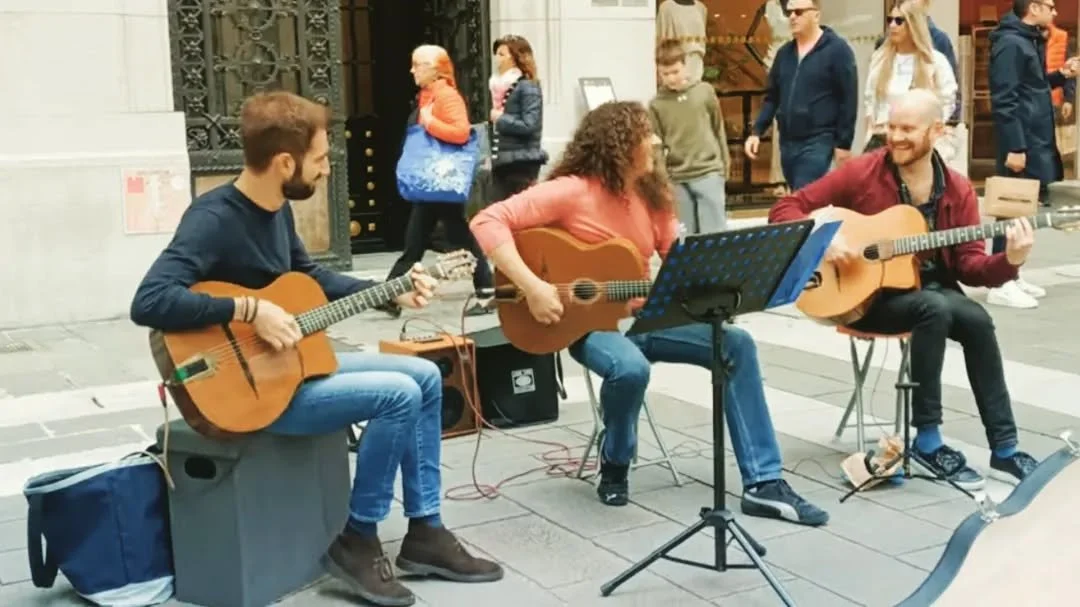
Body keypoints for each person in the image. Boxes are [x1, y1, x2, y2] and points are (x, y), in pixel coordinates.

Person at [129, 91, 503, 607]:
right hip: (247, 395)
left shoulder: (276, 209)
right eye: (322, 159)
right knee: (397, 395)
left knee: (425, 376)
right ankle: (358, 537)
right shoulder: (213, 218)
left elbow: (308, 278)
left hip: (291, 369)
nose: (327, 170)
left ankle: (425, 532)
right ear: (285, 162)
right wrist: (248, 310)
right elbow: (149, 301)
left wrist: (391, 290)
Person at [470, 100, 829, 526]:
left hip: (644, 319)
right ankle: (616, 459)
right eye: (647, 138)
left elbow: (682, 264)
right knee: (630, 368)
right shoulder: (571, 190)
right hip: (587, 325)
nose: (656, 145)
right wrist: (532, 287)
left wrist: (761, 275)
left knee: (736, 344)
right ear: (621, 146)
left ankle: (764, 484)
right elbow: (487, 220)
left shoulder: (654, 195)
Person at [769, 89, 1040, 490]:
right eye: (891, 126)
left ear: (937, 131)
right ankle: (927, 440)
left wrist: (1011, 261)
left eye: (907, 128)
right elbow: (786, 208)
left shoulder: (957, 189)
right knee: (934, 308)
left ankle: (1005, 447)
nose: (895, 136)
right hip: (869, 298)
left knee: (977, 318)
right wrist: (822, 238)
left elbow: (970, 266)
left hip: (930, 290)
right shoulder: (864, 172)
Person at [384, 44, 493, 318]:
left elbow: (461, 132)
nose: (412, 70)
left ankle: (487, 289)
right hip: (433, 184)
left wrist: (430, 123)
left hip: (440, 181)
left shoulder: (446, 96)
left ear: (434, 70)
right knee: (418, 240)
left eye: (417, 64)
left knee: (448, 239)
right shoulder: (427, 95)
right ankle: (390, 294)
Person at [986, 0, 1079, 309]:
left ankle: (1012, 273)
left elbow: (1034, 88)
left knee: (1022, 208)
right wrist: (1015, 146)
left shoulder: (1027, 39)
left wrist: (1062, 75)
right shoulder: (1012, 43)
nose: (1054, 12)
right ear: (1034, 7)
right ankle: (1000, 280)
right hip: (1021, 141)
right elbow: (1004, 97)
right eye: (1050, 6)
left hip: (1033, 138)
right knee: (1010, 208)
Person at [743, 0, 858, 190]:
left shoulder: (837, 50)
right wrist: (756, 132)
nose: (792, 17)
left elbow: (848, 99)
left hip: (818, 140)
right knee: (799, 197)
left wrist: (843, 143)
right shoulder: (784, 54)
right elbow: (773, 97)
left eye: (799, 12)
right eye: (789, 13)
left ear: (816, 15)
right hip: (788, 142)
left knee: (803, 194)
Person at [650, 38, 731, 233]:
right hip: (677, 178)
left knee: (714, 235)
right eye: (665, 74)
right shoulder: (656, 105)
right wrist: (663, 180)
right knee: (685, 237)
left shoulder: (704, 92)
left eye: (675, 72)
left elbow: (717, 128)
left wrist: (724, 165)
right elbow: (657, 147)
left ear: (685, 66)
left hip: (709, 171)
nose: (671, 78)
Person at [862, 0, 957, 151]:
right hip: (883, 139)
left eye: (899, 21)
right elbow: (870, 101)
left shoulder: (934, 61)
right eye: (890, 20)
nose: (892, 25)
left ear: (914, 24)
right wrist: (869, 134)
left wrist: (933, 132)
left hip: (919, 142)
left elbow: (947, 100)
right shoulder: (879, 59)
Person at [488, 34, 548, 203]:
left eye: (502, 54)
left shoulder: (528, 86)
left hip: (521, 161)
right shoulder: (500, 87)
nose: (496, 59)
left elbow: (530, 124)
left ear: (516, 59)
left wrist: (500, 119)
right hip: (504, 160)